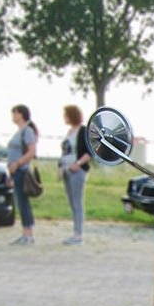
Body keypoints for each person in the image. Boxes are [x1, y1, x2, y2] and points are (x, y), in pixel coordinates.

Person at [57, 103, 92, 245]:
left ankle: (78, 235)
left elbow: (90, 152)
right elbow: (65, 152)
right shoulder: (69, 132)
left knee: (77, 202)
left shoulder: (83, 131)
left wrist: (77, 164)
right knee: (72, 202)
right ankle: (75, 232)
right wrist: (60, 167)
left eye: (65, 115)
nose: (64, 117)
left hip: (77, 171)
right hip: (66, 170)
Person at [7, 104, 38, 244]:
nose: (13, 115)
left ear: (21, 114)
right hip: (14, 171)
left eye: (15, 113)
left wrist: (17, 163)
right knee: (20, 202)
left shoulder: (27, 131)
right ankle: (26, 232)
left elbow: (31, 152)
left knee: (23, 202)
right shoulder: (18, 131)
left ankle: (28, 233)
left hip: (21, 170)